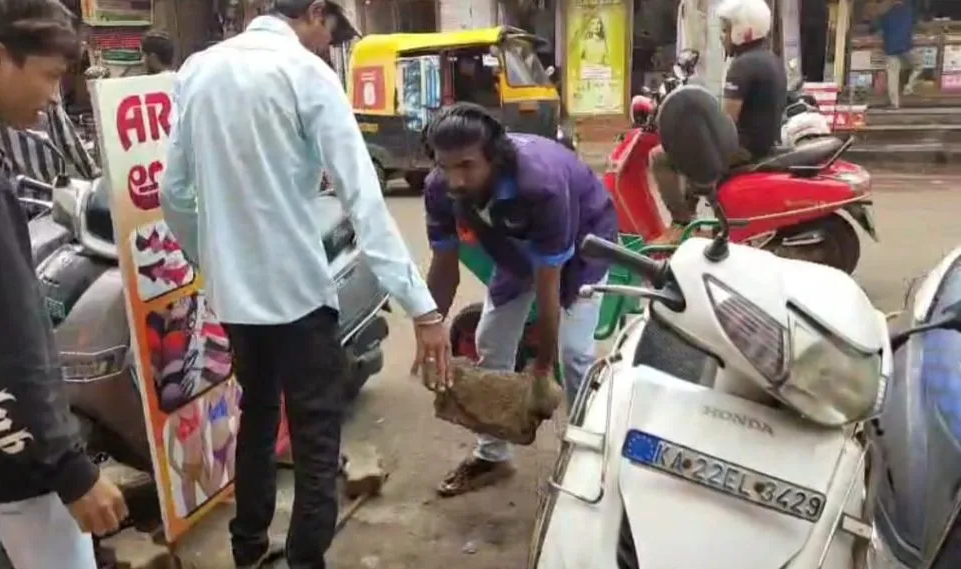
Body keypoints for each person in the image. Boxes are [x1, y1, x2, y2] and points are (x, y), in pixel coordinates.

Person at [159, 1, 450, 567]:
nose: (326, 47)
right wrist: (423, 308)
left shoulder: (198, 69)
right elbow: (364, 201)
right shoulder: (305, 73)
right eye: (329, 34)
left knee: (259, 418)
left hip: (236, 301)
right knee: (317, 439)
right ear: (314, 12)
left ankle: (247, 551)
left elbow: (175, 194)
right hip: (298, 295)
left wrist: (211, 259)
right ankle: (304, 560)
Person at [0, 1, 129, 567]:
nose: (53, 96)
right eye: (49, 75)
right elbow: (1, 340)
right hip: (14, 460)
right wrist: (68, 468)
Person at [421, 102, 619, 497]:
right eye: (445, 166)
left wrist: (542, 372)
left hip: (583, 245)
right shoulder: (439, 189)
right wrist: (430, 327)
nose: (455, 180)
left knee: (575, 355)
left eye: (465, 166)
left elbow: (549, 286)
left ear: (493, 158)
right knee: (491, 342)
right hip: (515, 250)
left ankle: (593, 459)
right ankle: (493, 456)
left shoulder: (539, 185)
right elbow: (445, 265)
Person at [649, 0, 785, 244]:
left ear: (743, 30)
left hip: (743, 149)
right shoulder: (768, 58)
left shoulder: (742, 67)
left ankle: (680, 225)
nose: (722, 36)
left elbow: (724, 125)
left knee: (660, 157)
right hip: (762, 143)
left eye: (726, 30)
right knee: (692, 149)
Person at [871, 0, 920, 109]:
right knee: (919, 65)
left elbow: (879, 29)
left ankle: (894, 103)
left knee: (892, 75)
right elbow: (915, 24)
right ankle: (909, 86)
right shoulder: (909, 11)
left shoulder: (886, 15)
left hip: (891, 48)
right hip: (906, 47)